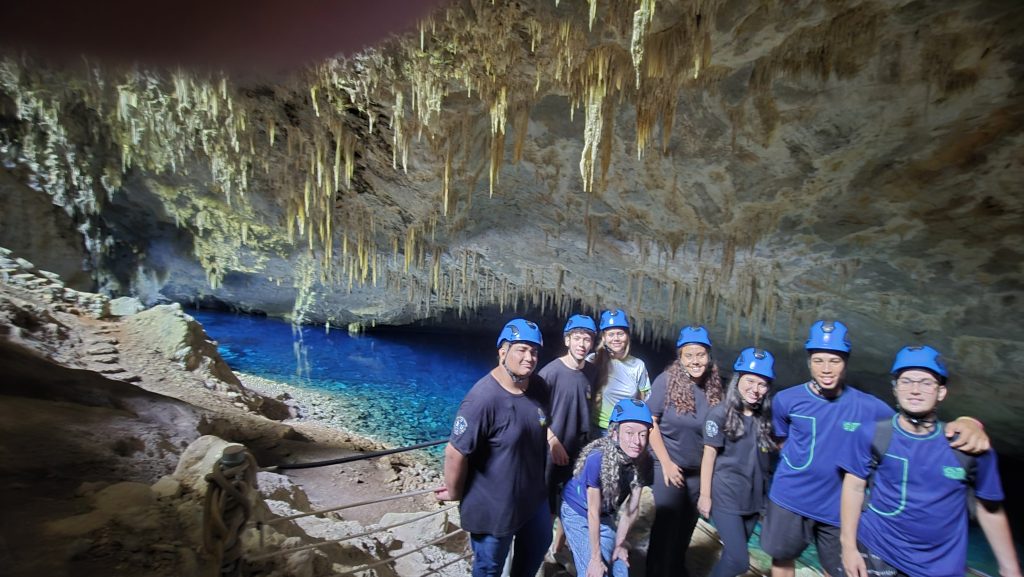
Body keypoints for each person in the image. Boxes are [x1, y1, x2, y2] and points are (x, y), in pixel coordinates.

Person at [761, 320, 990, 577]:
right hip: (789, 499)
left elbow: (912, 424)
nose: (826, 369)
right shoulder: (787, 400)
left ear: (845, 362)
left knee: (838, 569)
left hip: (837, 508)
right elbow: (782, 440)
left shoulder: (871, 407)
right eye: (819, 360)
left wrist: (969, 421)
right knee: (782, 559)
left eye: (834, 361)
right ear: (809, 361)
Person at [839, 345, 1021, 577]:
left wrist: (1010, 569)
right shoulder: (873, 434)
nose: (915, 390)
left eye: (926, 382)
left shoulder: (967, 447)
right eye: (906, 381)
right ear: (895, 388)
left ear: (941, 392)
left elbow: (989, 510)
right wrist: (848, 547)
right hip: (877, 551)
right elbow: (854, 487)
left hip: (939, 566)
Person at [435, 318, 552, 577]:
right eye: (521, 349)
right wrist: (454, 491)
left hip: (532, 499)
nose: (529, 358)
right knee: (489, 569)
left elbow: (540, 426)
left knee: (537, 549)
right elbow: (455, 452)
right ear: (503, 351)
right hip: (494, 508)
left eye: (534, 351)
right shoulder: (482, 399)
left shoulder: (539, 387)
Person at [646, 325, 725, 577]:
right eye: (688, 355)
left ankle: (676, 569)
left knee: (686, 527)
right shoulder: (666, 381)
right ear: (680, 357)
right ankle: (654, 571)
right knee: (666, 524)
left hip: (697, 470)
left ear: (708, 356)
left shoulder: (715, 387)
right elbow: (650, 422)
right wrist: (666, 463)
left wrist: (707, 484)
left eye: (700, 354)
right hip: (669, 463)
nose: (695, 361)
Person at [698, 347, 778, 577]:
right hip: (726, 496)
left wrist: (764, 503)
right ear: (738, 379)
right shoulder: (720, 414)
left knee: (731, 557)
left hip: (753, 500)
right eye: (750, 381)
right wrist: (705, 495)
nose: (756, 389)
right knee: (739, 561)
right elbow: (709, 455)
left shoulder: (765, 418)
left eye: (762, 384)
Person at [561, 398, 654, 577]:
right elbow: (592, 512)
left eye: (642, 434)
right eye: (629, 433)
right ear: (614, 432)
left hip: (605, 514)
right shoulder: (597, 458)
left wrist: (620, 544)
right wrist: (595, 559)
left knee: (619, 569)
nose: (637, 441)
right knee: (595, 572)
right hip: (578, 512)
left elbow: (631, 509)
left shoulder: (645, 462)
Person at [540, 314, 599, 561]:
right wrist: (552, 440)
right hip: (553, 450)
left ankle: (558, 547)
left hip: (580, 450)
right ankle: (540, 547)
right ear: (567, 340)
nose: (582, 344)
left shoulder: (593, 372)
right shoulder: (550, 373)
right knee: (547, 502)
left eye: (587, 339)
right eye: (577, 338)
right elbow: (535, 412)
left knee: (573, 499)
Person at [591, 308, 651, 437]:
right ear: (604, 337)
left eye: (620, 333)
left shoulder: (638, 366)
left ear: (627, 336)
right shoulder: (592, 360)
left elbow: (645, 398)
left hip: (625, 430)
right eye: (611, 334)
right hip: (597, 429)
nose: (616, 338)